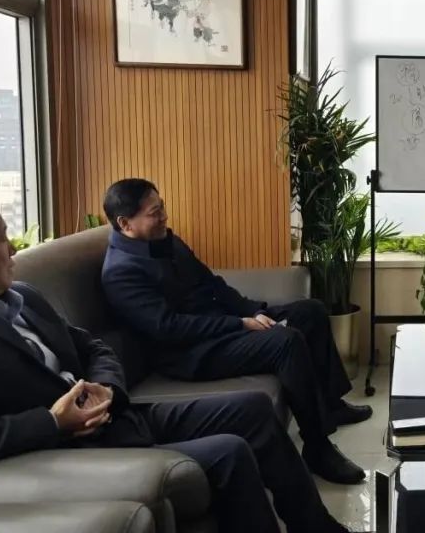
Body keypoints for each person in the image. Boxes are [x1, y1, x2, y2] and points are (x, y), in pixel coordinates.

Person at [0, 191, 351, 533]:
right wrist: (52, 422)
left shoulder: (23, 297)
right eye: (2, 239)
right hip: (74, 449)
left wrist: (108, 387)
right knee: (230, 451)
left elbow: (95, 348)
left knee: (253, 409)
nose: (12, 250)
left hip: (119, 412)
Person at [100, 178, 369, 485]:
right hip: (190, 353)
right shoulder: (120, 272)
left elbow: (212, 284)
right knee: (286, 343)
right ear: (125, 223)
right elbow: (169, 328)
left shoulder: (166, 241)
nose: (164, 216)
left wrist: (252, 311)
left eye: (162, 207)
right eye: (154, 212)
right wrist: (239, 324)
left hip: (220, 325)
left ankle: (332, 406)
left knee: (311, 312)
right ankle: (318, 448)